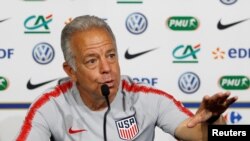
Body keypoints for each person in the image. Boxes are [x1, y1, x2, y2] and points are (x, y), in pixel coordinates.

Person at [15, 15, 238, 141]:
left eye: (111, 56)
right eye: (92, 61)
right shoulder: (49, 106)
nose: (106, 68)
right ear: (71, 71)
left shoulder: (147, 98)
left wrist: (214, 122)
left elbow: (205, 137)